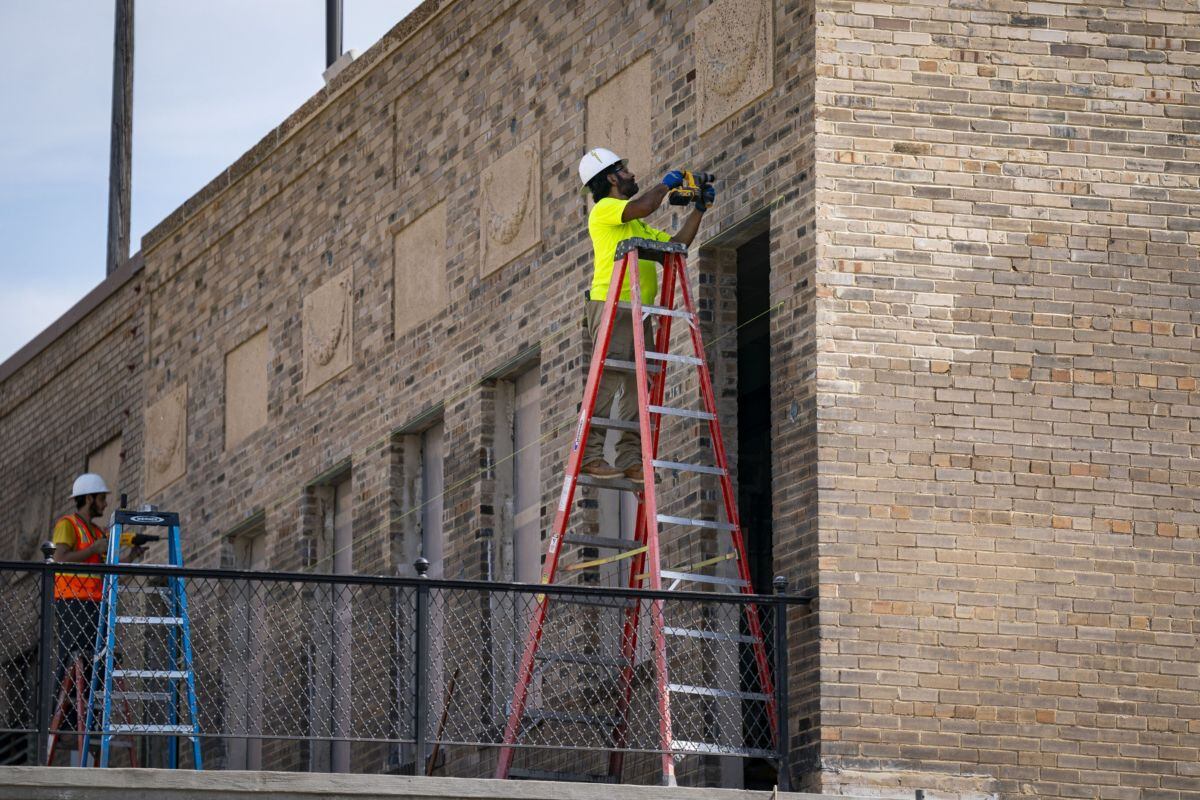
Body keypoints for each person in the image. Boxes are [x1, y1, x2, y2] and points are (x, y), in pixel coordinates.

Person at [577, 148, 716, 483]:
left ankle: (630, 458)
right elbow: (646, 203)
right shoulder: (605, 210)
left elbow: (676, 249)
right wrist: (669, 182)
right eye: (625, 170)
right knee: (608, 382)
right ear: (611, 177)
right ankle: (590, 456)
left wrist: (699, 210)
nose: (632, 175)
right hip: (612, 308)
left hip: (638, 312)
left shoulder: (635, 224)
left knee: (640, 388)